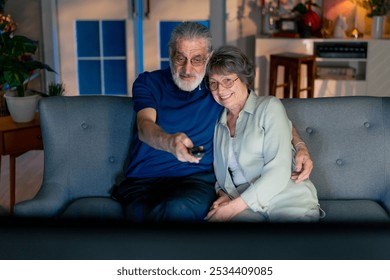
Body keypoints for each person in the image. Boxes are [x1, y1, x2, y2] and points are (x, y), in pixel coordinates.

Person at [111, 21, 313, 222]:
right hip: (144, 179)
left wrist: (300, 145)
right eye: (180, 58)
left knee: (177, 210)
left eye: (197, 59)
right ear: (170, 55)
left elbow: (267, 111)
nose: (187, 69)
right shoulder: (150, 83)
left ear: (208, 58)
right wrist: (169, 142)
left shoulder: (217, 87)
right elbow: (145, 127)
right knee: (144, 214)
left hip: (194, 181)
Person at [205, 45, 321, 222]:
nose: (220, 90)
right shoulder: (218, 124)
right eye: (214, 83)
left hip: (286, 198)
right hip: (244, 203)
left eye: (228, 80)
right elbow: (221, 177)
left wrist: (231, 209)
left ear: (244, 78)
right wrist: (223, 194)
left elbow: (279, 171)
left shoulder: (269, 107)